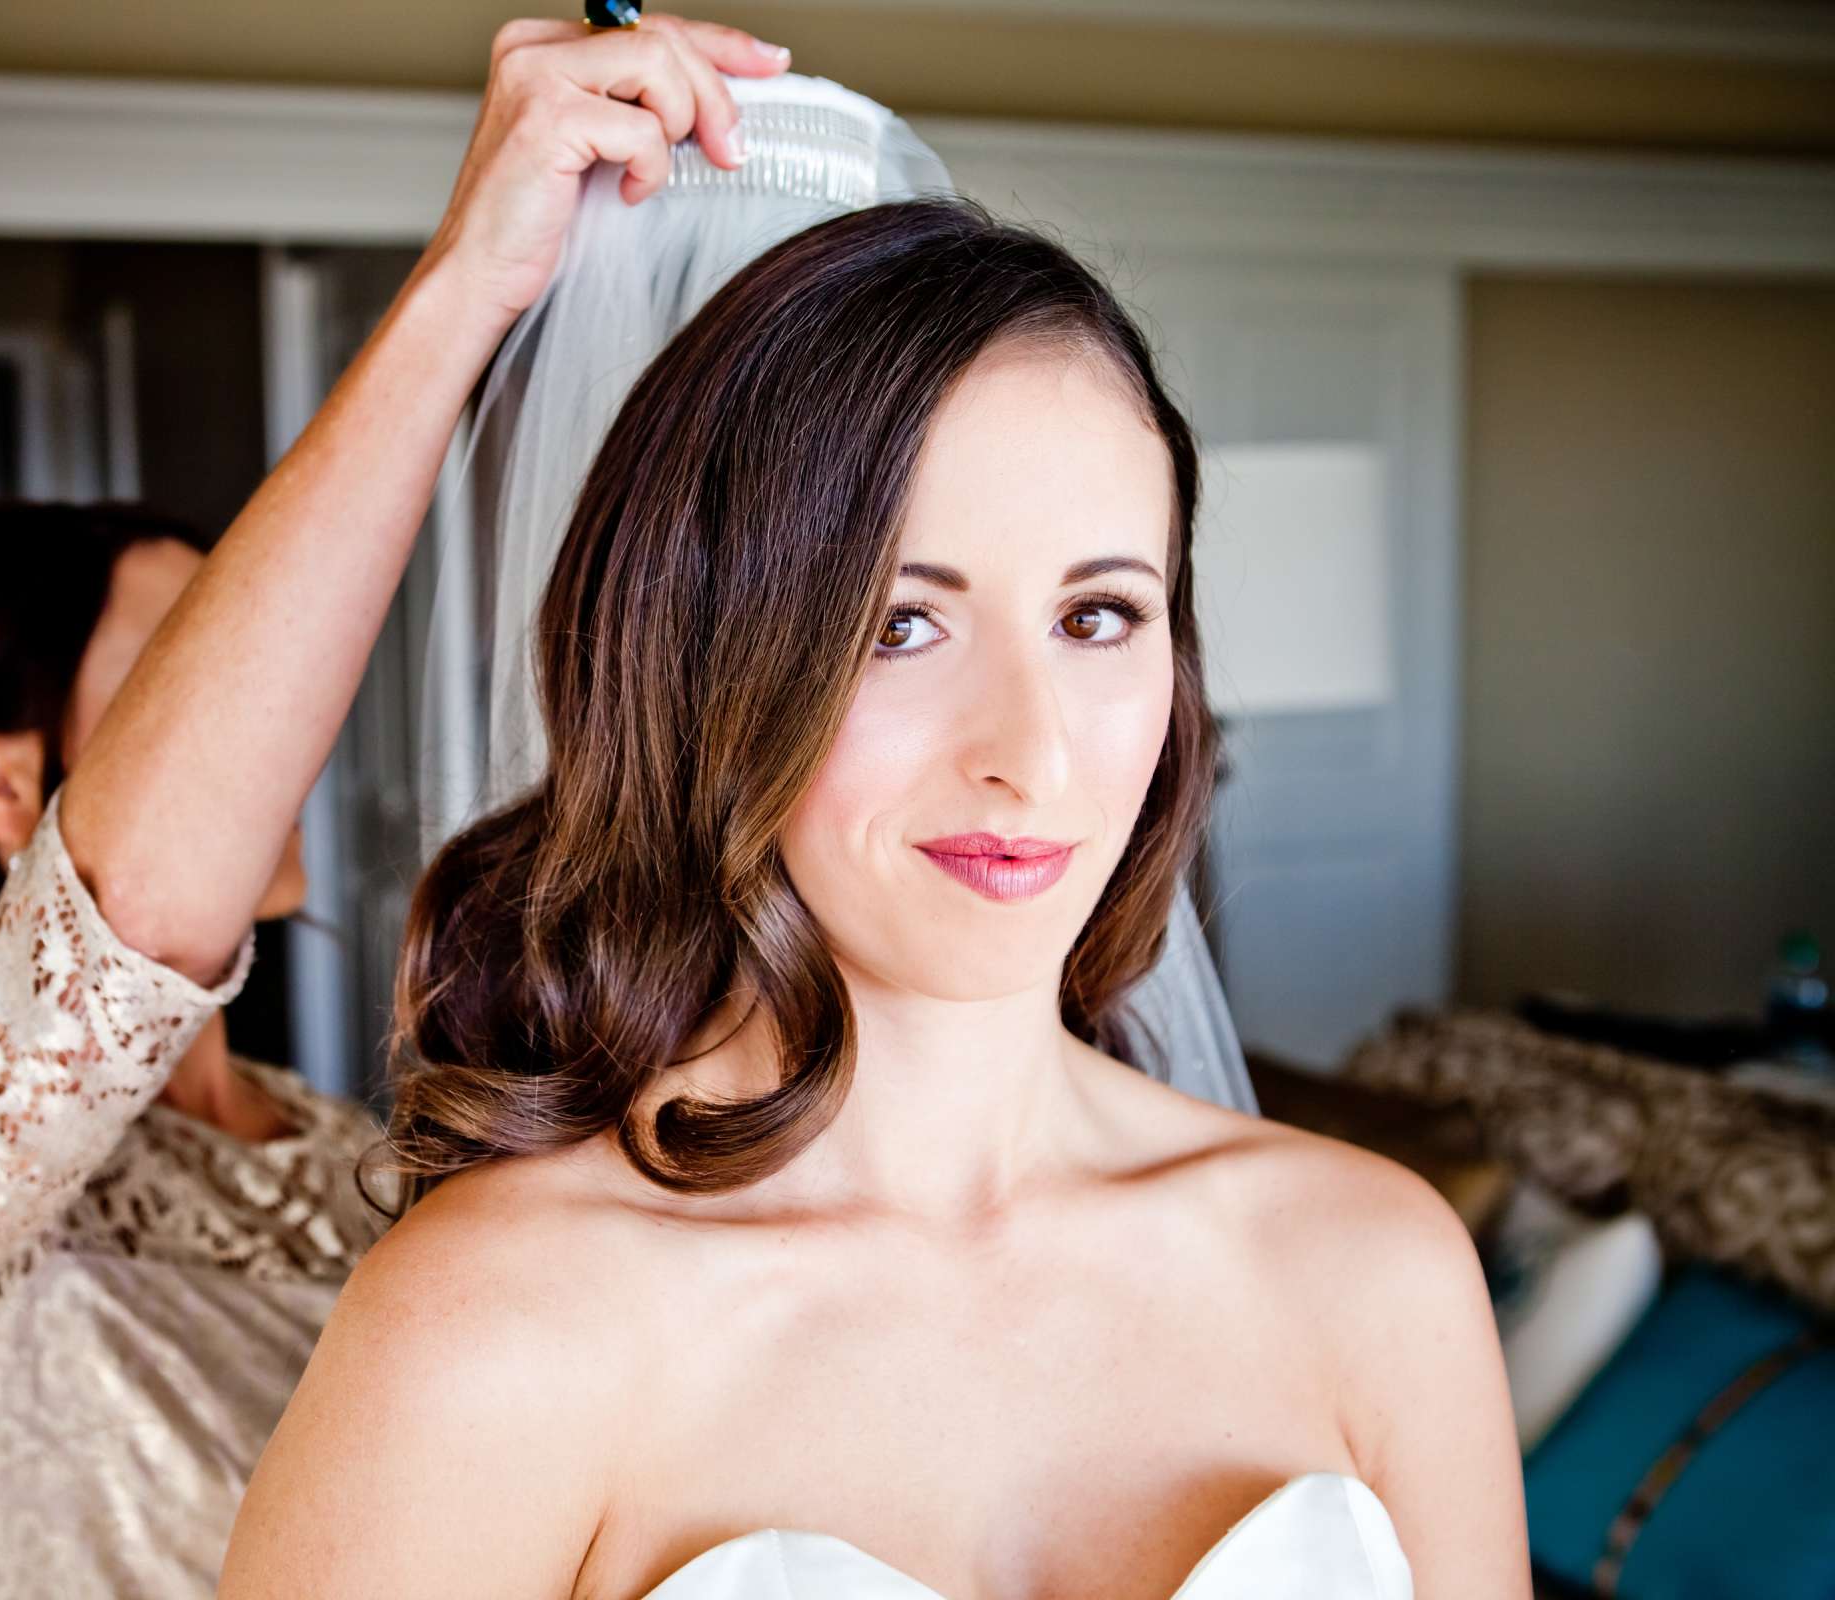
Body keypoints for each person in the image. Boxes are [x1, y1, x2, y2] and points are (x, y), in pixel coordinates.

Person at [214, 24, 1531, 1600]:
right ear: (704, 666)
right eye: (901, 625)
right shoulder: (493, 1337)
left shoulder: (1374, 1270)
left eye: (1100, 617)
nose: (1029, 755)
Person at [0, 16, 790, 1599]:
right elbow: (125, 929)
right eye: (188, 671)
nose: (288, 728)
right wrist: (466, 286)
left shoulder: (350, 1151)